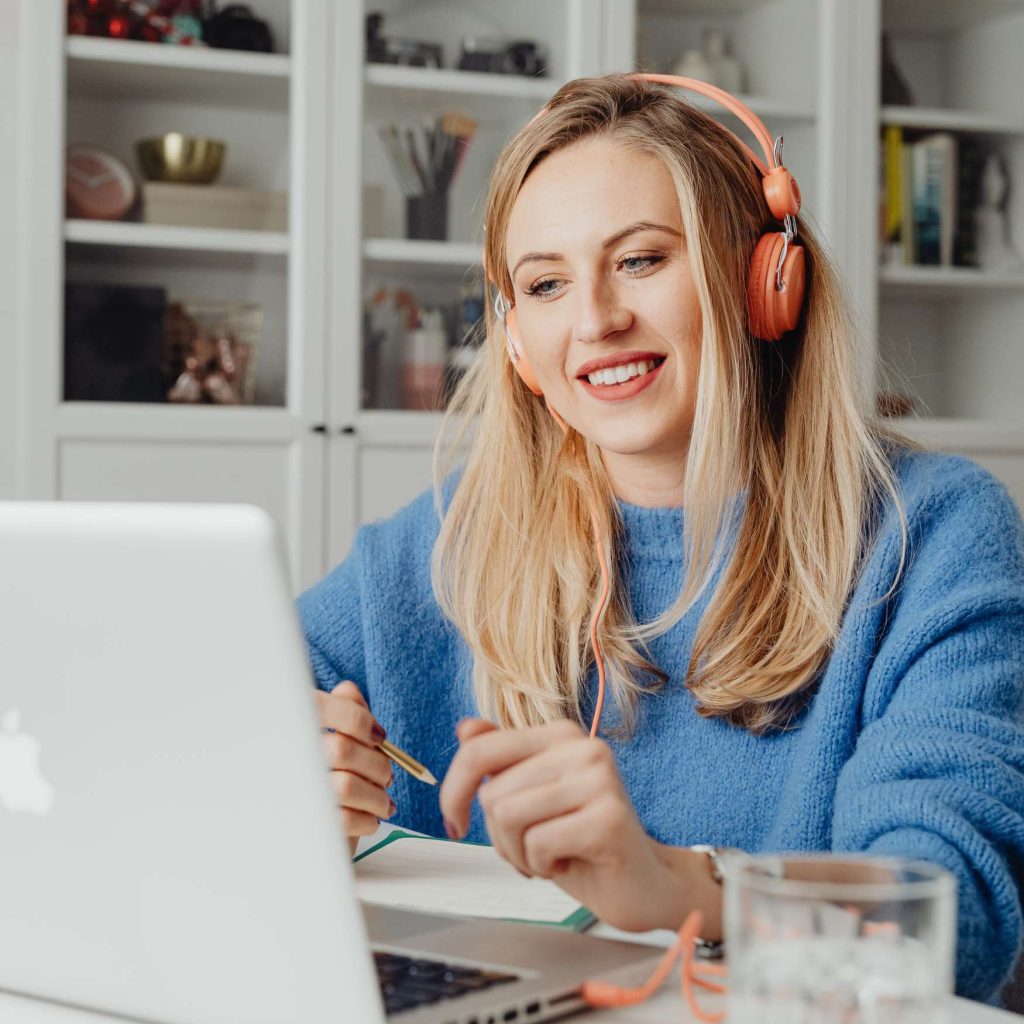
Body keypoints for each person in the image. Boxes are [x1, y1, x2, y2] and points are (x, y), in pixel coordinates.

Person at [298, 73, 1024, 1004]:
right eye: (547, 283)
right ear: (517, 342)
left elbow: (948, 921)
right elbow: (197, 717)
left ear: (767, 281)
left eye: (640, 260)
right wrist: (282, 785)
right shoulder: (444, 543)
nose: (595, 319)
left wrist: (689, 891)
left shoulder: (935, 533)